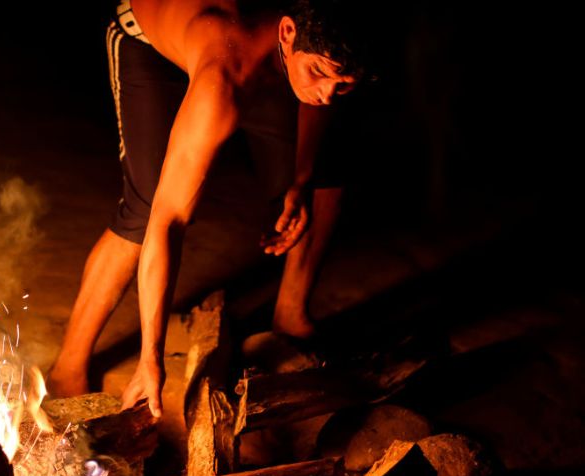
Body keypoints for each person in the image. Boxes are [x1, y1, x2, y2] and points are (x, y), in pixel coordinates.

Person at [48, 0, 369, 417]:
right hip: (146, 41)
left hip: (256, 57)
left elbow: (319, 97)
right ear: (288, 34)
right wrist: (151, 359)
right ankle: (67, 366)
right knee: (146, 209)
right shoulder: (223, 84)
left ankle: (290, 319)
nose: (327, 94)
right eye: (321, 74)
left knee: (326, 180)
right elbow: (170, 221)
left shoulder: (314, 39)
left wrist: (301, 180)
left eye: (343, 85)